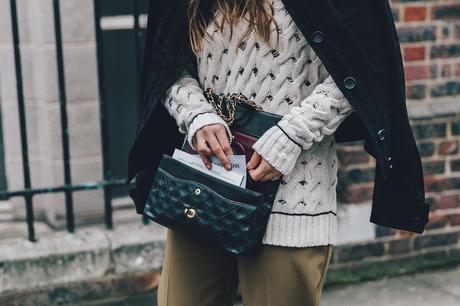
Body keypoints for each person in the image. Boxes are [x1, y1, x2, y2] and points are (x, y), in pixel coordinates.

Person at [155, 0, 354, 305]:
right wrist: (197, 115)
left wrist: (291, 135)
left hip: (291, 192)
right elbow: (165, 63)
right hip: (205, 182)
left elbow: (361, 71)